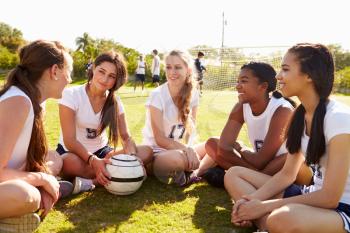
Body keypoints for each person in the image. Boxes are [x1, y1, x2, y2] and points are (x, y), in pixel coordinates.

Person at [225, 43, 350, 233]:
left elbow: (330, 197)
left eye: (285, 69)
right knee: (234, 174)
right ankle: (267, 225)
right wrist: (252, 201)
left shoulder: (338, 119)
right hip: (311, 196)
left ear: (309, 75)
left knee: (282, 218)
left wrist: (265, 206)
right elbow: (287, 174)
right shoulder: (299, 115)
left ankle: (268, 224)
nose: (278, 76)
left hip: (341, 209)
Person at [0, 40, 73, 232]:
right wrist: (42, 179)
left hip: (7, 180)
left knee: (54, 158)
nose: (70, 79)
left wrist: (42, 177)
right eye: (69, 71)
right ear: (54, 71)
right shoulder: (18, 101)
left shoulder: (34, 102)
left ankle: (11, 218)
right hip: (7, 184)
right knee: (26, 195)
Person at [197, 62, 307, 188]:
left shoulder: (282, 110)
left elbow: (260, 161)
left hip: (285, 167)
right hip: (259, 166)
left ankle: (247, 178)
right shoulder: (241, 107)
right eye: (237, 81)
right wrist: (250, 163)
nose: (237, 86)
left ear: (263, 86)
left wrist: (240, 148)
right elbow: (223, 147)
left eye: (243, 81)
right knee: (212, 144)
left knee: (288, 158)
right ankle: (254, 179)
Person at [58, 51, 153, 194]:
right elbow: (70, 140)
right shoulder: (71, 95)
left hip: (103, 153)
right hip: (73, 153)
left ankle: (91, 182)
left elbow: (126, 136)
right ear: (93, 68)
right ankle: (112, 174)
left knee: (147, 152)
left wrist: (133, 159)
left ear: (116, 80)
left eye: (111, 76)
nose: (104, 79)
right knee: (66, 162)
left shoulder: (115, 101)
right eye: (101, 72)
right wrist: (94, 161)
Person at [142, 49, 206, 186]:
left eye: (178, 67)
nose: (172, 72)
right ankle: (198, 169)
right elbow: (160, 139)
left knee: (214, 144)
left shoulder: (193, 94)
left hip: (180, 149)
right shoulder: (157, 95)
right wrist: (187, 151)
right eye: (169, 67)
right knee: (178, 159)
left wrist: (190, 148)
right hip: (158, 153)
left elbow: (191, 131)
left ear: (188, 69)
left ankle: (194, 172)